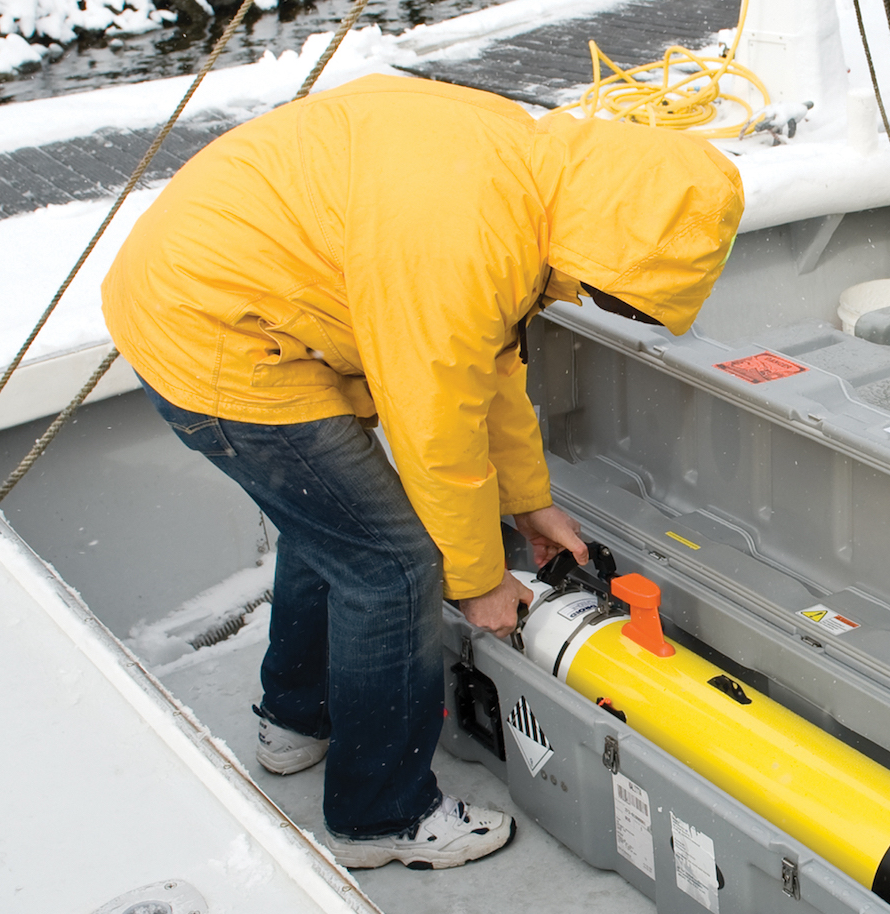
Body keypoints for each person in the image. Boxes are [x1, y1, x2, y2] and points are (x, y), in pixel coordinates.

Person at [102, 74, 743, 870]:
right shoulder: (464, 237)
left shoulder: (522, 180)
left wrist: (529, 503)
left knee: (334, 522)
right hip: (218, 335)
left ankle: (295, 720)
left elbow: (488, 368)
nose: (599, 299)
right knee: (394, 566)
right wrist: (478, 582)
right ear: (613, 238)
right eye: (616, 291)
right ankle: (380, 815)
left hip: (208, 298)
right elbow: (436, 424)